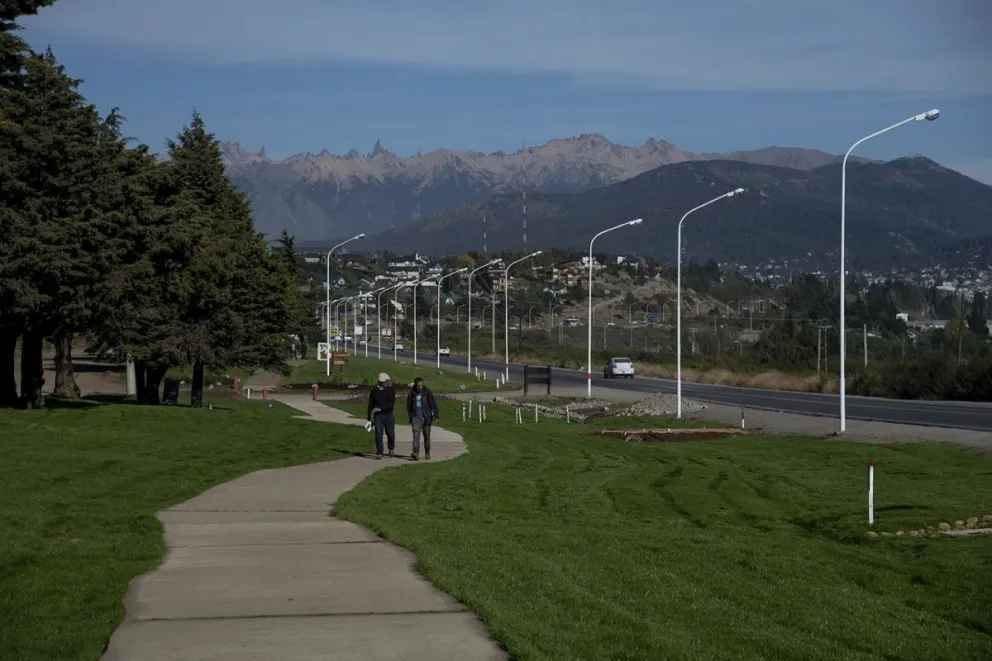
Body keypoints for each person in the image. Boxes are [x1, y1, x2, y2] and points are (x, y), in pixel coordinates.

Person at [405, 376, 439, 461]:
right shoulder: (412, 393)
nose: (419, 387)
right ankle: (415, 453)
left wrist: (436, 416)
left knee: (426, 436)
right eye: (418, 386)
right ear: (415, 385)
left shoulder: (427, 392)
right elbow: (408, 406)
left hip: (426, 418)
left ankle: (427, 452)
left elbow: (433, 404)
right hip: (416, 418)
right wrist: (411, 416)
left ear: (423, 384)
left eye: (421, 386)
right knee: (415, 436)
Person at [367, 372, 396, 459]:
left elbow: (391, 403)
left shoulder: (390, 390)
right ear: (380, 382)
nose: (387, 383)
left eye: (387, 381)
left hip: (388, 415)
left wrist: (382, 408)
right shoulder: (374, 391)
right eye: (385, 381)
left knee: (390, 433)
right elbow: (370, 404)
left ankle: (391, 448)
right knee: (378, 434)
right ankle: (380, 452)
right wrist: (369, 417)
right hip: (378, 416)